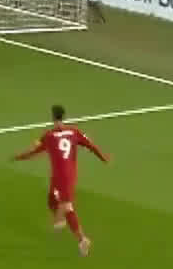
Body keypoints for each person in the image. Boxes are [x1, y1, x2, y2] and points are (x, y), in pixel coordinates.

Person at [12, 105, 109, 255]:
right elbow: (91, 145)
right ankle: (63, 220)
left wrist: (19, 157)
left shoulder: (49, 136)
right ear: (64, 116)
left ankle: (81, 239)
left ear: (52, 117)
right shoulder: (74, 132)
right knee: (51, 199)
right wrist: (103, 157)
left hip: (63, 177)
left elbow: (33, 150)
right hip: (63, 176)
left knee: (67, 207)